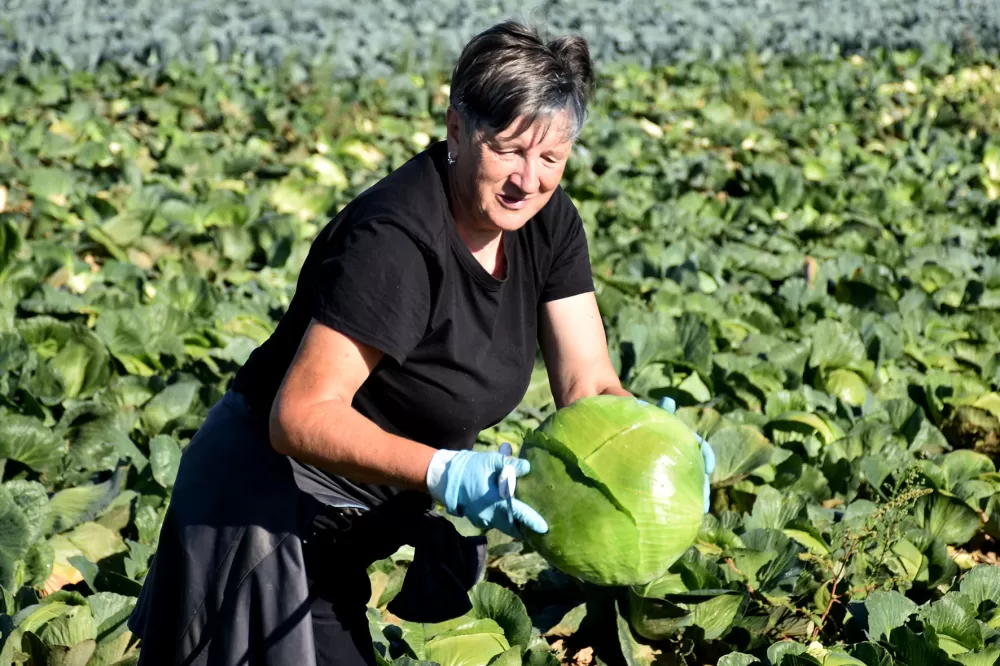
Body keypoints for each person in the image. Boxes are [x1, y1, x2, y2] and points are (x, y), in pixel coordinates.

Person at [127, 19, 711, 666]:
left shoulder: (549, 224)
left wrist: (657, 446)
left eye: (551, 158)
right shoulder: (396, 242)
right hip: (265, 510)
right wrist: (445, 471)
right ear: (457, 129)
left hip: (357, 517)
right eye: (509, 150)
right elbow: (299, 416)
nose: (528, 179)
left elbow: (589, 384)